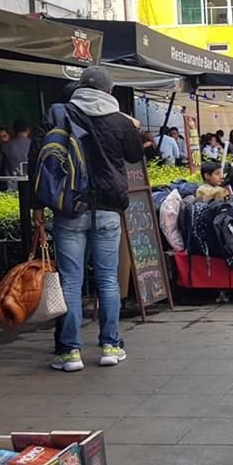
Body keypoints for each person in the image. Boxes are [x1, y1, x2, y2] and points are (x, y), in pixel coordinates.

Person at [33, 66, 144, 372]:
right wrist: (132, 126)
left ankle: (70, 352)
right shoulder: (119, 120)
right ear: (109, 91)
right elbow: (135, 155)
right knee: (108, 278)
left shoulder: (60, 113)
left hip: (69, 207)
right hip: (108, 208)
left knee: (71, 281)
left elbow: (38, 157)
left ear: (81, 87)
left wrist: (37, 206)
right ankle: (110, 345)